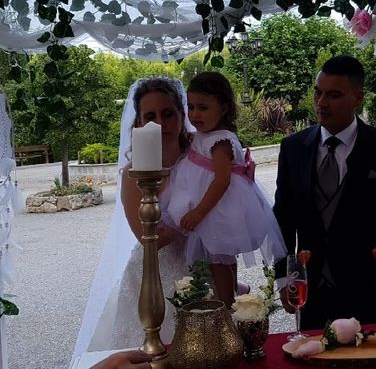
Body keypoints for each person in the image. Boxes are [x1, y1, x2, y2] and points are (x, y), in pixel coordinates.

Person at [273, 56, 376, 330]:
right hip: (310, 291)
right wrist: (283, 279)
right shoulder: (293, 148)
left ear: (358, 98)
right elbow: (282, 218)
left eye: (334, 94)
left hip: (368, 291)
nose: (321, 102)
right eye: (318, 92)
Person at [72, 77, 193, 362]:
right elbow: (144, 236)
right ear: (138, 124)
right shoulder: (132, 174)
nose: (161, 123)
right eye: (150, 116)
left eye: (168, 113)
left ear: (181, 115)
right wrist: (192, 219)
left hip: (202, 268)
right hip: (154, 275)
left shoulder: (202, 159)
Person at [165, 71, 286, 308]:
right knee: (219, 257)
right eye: (191, 107)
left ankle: (227, 302)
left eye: (203, 107)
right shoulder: (203, 135)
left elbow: (221, 180)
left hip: (217, 207)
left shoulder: (221, 141)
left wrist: (199, 212)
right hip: (209, 205)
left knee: (219, 258)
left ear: (223, 107)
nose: (195, 114)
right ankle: (228, 297)